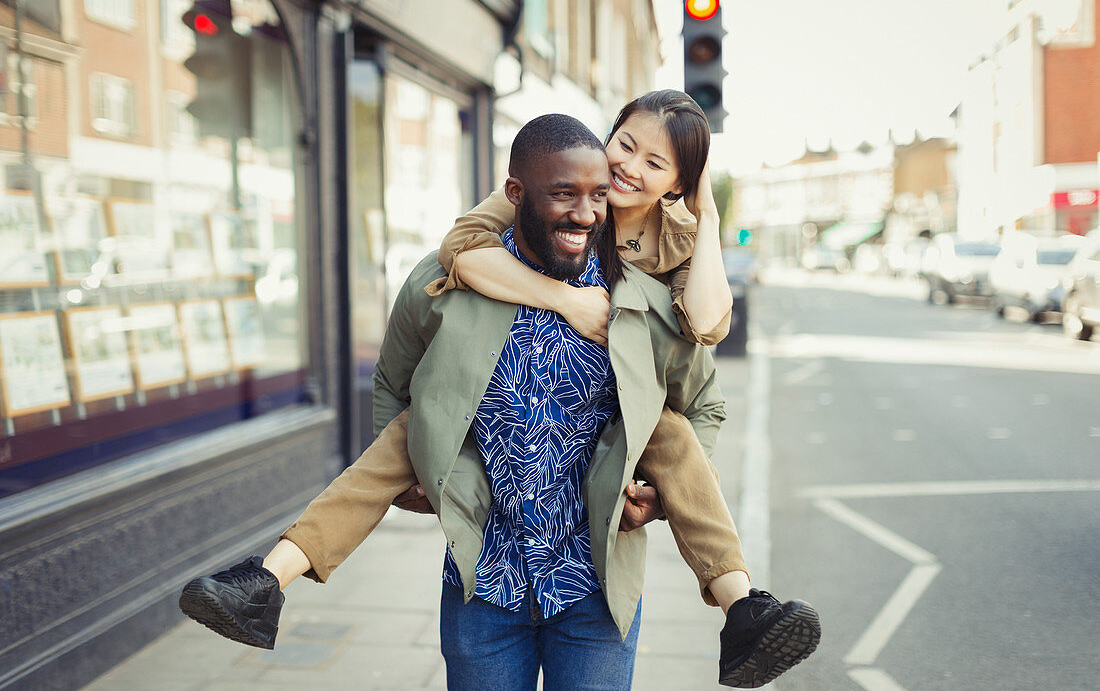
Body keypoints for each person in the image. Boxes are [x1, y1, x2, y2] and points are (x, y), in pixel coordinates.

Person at [180, 99, 820, 688]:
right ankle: (266, 584)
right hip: (483, 583)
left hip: (594, 585)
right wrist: (420, 479)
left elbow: (705, 363)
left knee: (671, 432)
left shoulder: (650, 290)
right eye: (620, 148)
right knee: (419, 424)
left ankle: (743, 610)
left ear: (673, 183)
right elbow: (398, 370)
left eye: (647, 167)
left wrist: (655, 494)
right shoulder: (460, 270)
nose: (600, 196)